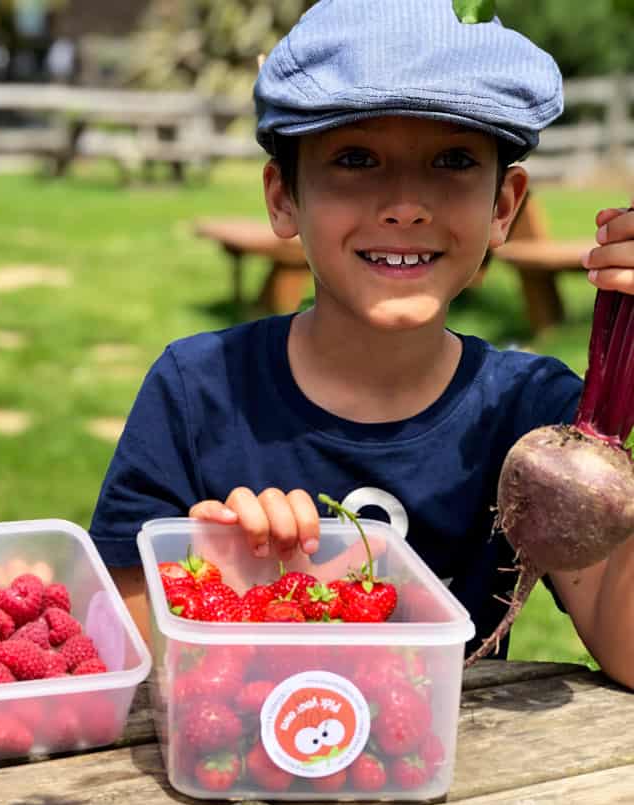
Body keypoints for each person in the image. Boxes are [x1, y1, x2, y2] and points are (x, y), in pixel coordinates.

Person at [89, 0, 634, 689]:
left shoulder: (538, 421)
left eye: (453, 160)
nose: (406, 203)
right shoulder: (197, 392)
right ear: (284, 196)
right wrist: (233, 577)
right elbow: (119, 656)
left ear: (504, 206)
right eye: (356, 158)